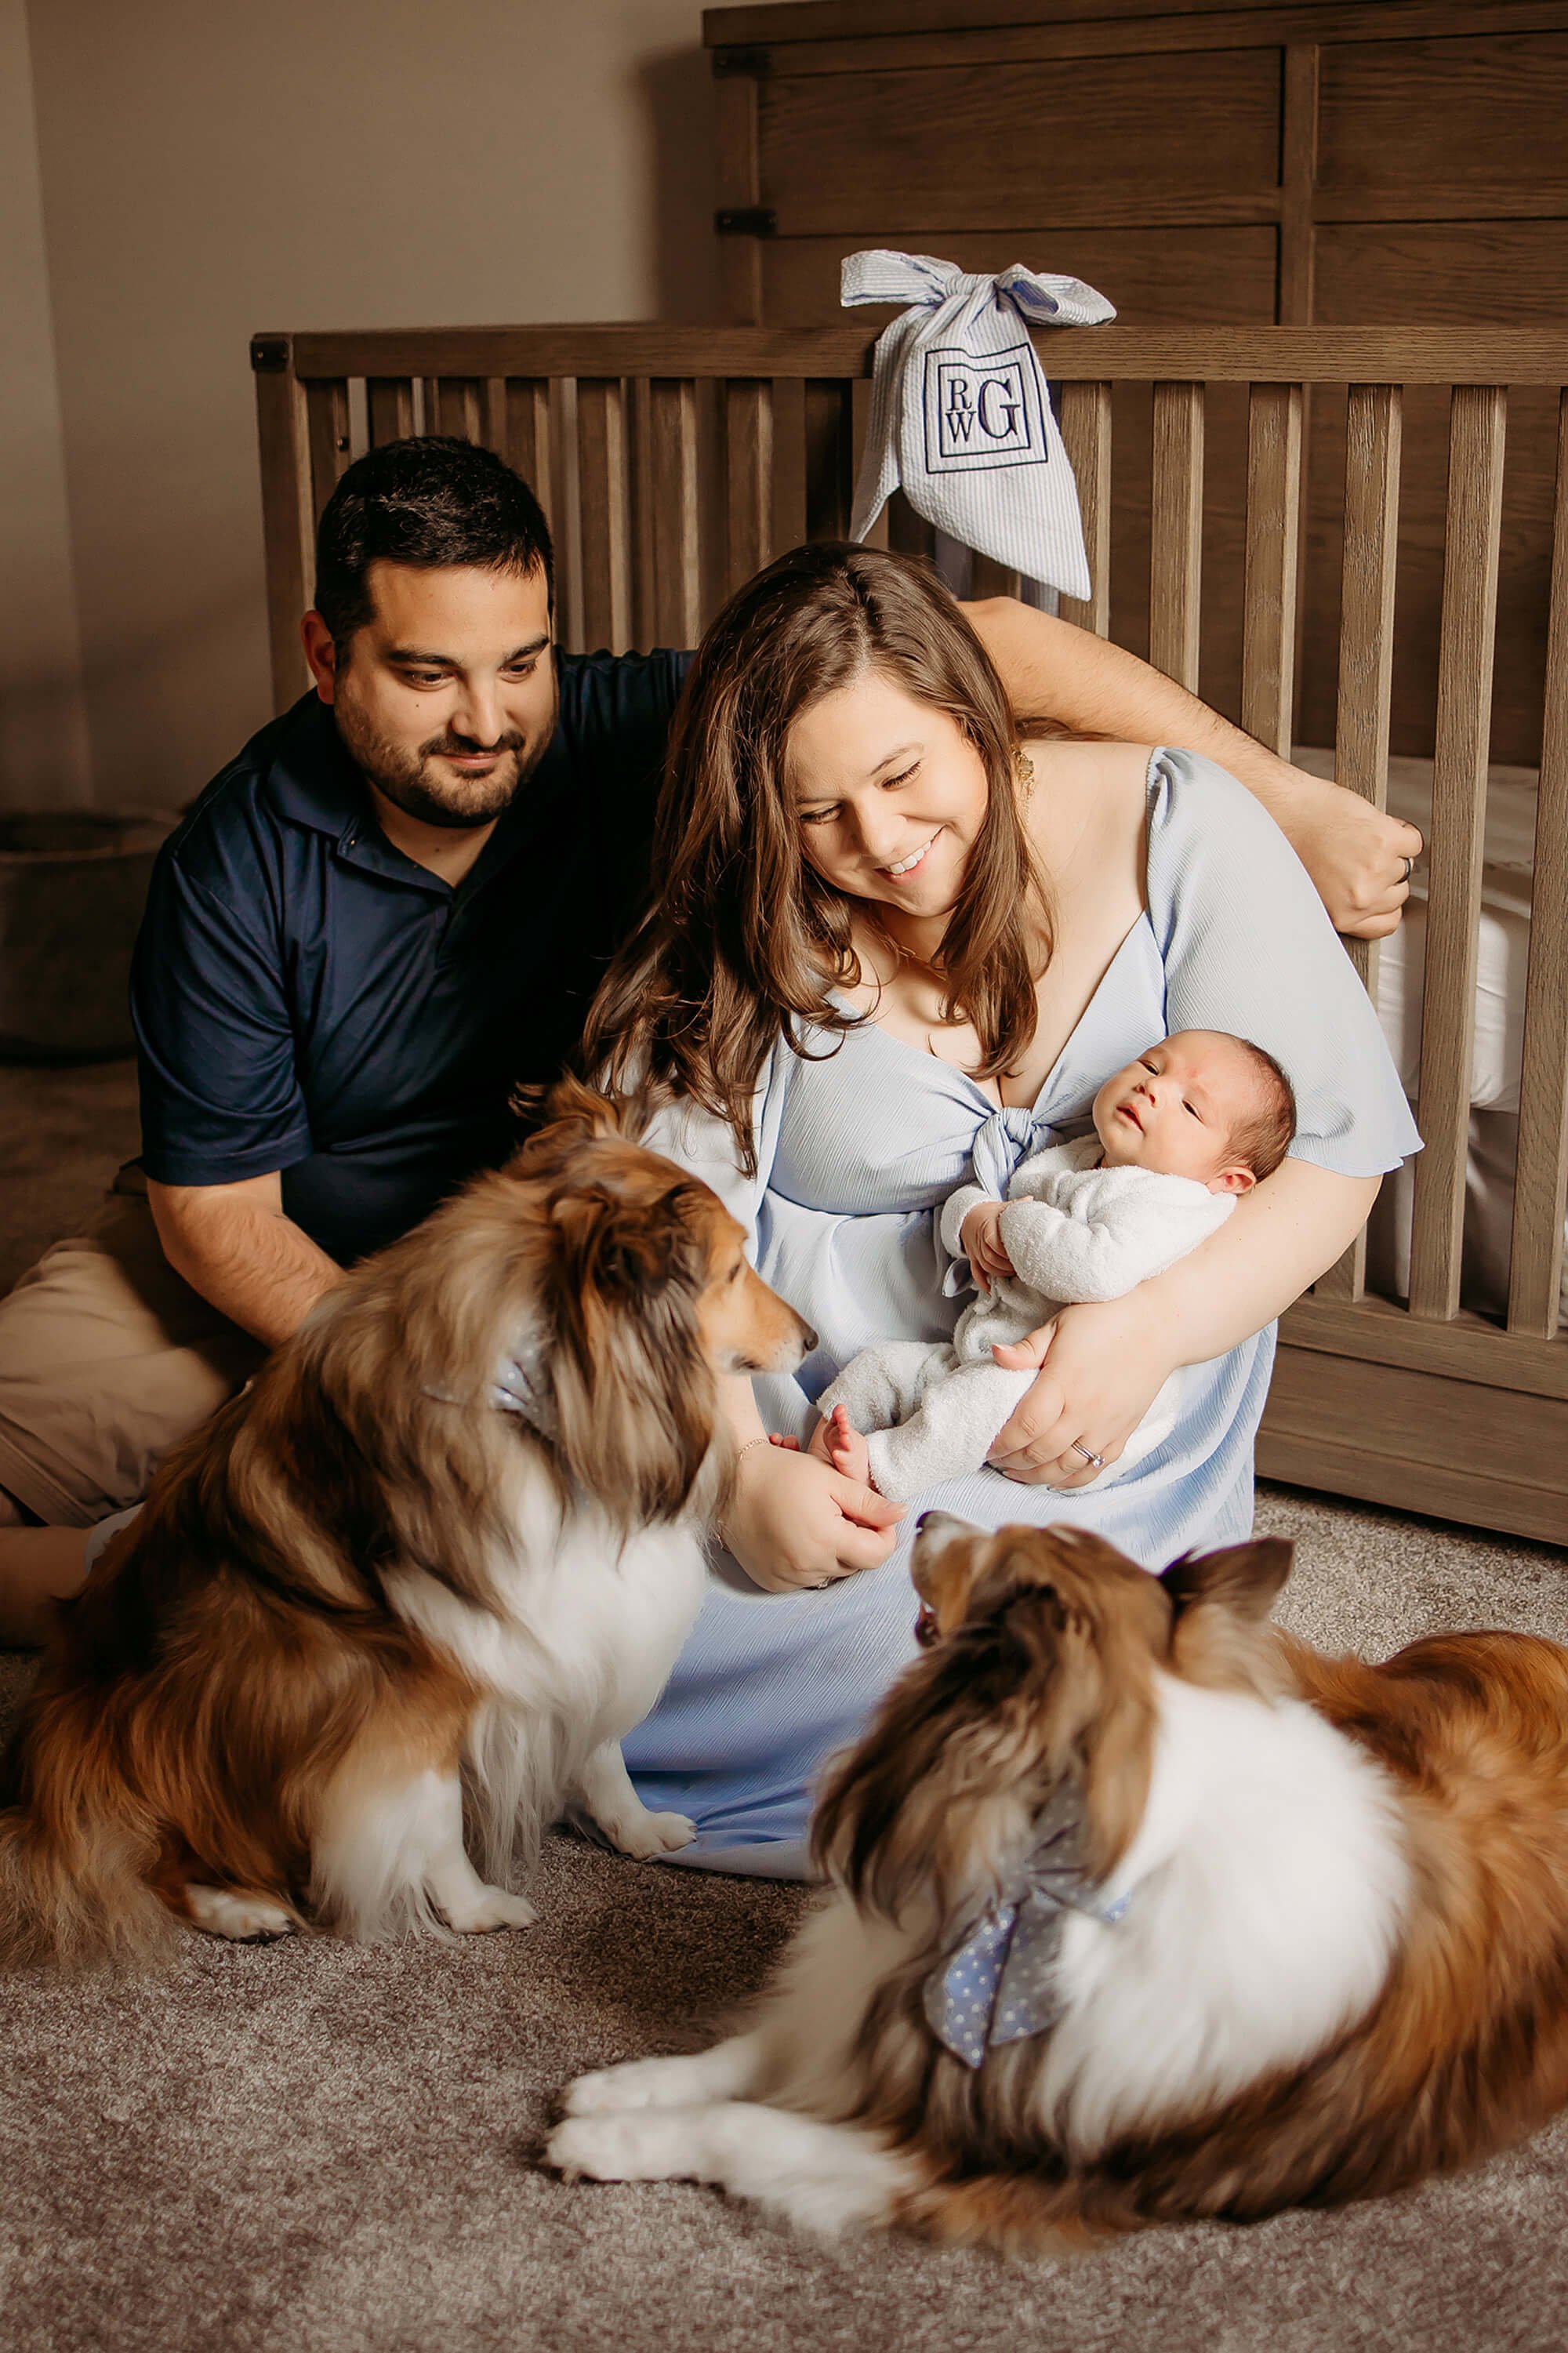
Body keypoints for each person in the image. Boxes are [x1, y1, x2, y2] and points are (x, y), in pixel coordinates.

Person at [0, 439, 1420, 1644]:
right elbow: (213, 1223)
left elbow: (982, 645)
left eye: (520, 664)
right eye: (428, 675)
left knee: (461, 1549)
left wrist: (1284, 802)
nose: (487, 719)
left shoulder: (675, 721)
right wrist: (426, 1390)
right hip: (307, 1249)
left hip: (558, 1230)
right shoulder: (233, 867)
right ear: (328, 656)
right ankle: (99, 1580)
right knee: (288, 1496)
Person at [582, 543, 1421, 1876]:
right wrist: (741, 1470)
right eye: (820, 812)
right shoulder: (758, 910)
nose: (880, 842)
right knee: (566, 1606)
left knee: (1000, 1656)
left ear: (977, 720)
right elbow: (663, 1215)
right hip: (808, 1390)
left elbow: (1341, 1154)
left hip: (1089, 1417)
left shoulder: (1174, 821)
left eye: (906, 776)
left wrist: (1144, 1328)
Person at [800, 1029, 1295, 1500]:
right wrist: (974, 1219)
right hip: (981, 1355)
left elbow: (1095, 1269)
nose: (1153, 1087)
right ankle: (818, 1451)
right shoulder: (1083, 1157)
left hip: (1068, 1397)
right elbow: (998, 1197)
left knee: (973, 1403)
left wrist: (1013, 1221)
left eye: (1190, 1107)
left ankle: (882, 1471)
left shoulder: (1173, 1203)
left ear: (1229, 1180)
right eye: (1151, 1065)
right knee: (881, 1367)